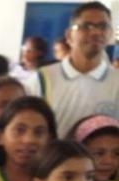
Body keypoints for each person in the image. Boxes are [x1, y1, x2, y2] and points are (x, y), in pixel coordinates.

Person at [26, 1, 119, 137]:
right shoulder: (42, 80)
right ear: (69, 35)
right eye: (86, 26)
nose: (96, 32)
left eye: (103, 26)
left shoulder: (116, 82)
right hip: (53, 158)